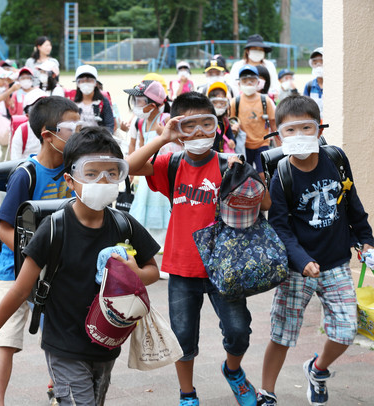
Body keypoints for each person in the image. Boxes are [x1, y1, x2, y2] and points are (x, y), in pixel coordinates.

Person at [0, 126, 160, 406]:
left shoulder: (124, 224)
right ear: (70, 180)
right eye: (91, 173)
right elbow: (20, 290)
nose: (103, 181)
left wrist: (134, 272)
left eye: (112, 173)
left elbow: (153, 271)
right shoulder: (53, 228)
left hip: (106, 343)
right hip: (64, 345)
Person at [127, 91, 266, 406]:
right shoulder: (171, 163)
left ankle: (233, 372)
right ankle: (187, 393)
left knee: (239, 330)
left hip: (224, 267)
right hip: (181, 268)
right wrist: (164, 139)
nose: (199, 132)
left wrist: (243, 173)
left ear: (216, 125)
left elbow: (265, 203)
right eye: (189, 125)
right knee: (182, 337)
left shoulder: (228, 163)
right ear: (177, 126)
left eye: (207, 123)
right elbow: (129, 167)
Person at [257, 95, 374, 406]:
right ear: (278, 135)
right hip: (297, 269)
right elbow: (280, 227)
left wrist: (366, 239)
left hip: (336, 262)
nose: (298, 137)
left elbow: (352, 202)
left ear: (319, 129)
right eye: (289, 131)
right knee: (282, 334)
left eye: (306, 128)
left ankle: (318, 370)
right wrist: (302, 259)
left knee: (346, 330)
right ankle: (266, 392)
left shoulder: (335, 158)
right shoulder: (281, 173)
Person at [0, 96, 81, 405]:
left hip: (57, 272)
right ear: (47, 134)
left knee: (61, 336)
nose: (77, 133)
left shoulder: (75, 171)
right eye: (71, 128)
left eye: (80, 126)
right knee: (6, 339)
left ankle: (57, 391)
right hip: (13, 271)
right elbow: (3, 229)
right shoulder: (26, 174)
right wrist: (34, 259)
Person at [125, 80, 174, 257]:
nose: (136, 105)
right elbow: (141, 145)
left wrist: (165, 135)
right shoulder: (140, 122)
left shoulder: (166, 120)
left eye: (139, 101)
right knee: (145, 204)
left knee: (162, 204)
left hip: (163, 170)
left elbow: (180, 144)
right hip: (148, 171)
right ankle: (148, 241)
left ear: (152, 105)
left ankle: (164, 242)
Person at [229, 65, 277, 179]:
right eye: (244, 80)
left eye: (252, 80)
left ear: (258, 82)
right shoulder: (235, 102)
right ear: (239, 83)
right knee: (245, 175)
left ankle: (266, 196)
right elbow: (230, 122)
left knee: (263, 175)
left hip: (262, 143)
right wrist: (233, 129)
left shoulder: (266, 101)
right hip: (243, 145)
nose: (249, 83)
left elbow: (273, 123)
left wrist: (279, 144)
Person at [73, 65, 114, 132]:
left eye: (89, 81)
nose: (86, 84)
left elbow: (109, 125)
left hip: (99, 139)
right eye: (82, 81)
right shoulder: (73, 103)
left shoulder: (103, 102)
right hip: (78, 139)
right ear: (78, 83)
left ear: (95, 83)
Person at [9, 88, 45, 160]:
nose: (40, 113)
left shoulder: (56, 129)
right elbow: (15, 160)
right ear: (27, 115)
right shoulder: (22, 131)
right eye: (34, 109)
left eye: (44, 108)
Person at [207, 81, 236, 153]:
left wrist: (232, 141)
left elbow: (230, 135)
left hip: (222, 155)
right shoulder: (205, 121)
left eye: (222, 103)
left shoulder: (225, 121)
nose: (219, 105)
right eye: (215, 102)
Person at [303, 47, 324, 117]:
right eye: (315, 63)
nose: (318, 65)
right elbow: (305, 107)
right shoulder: (309, 86)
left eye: (322, 62)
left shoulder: (333, 84)